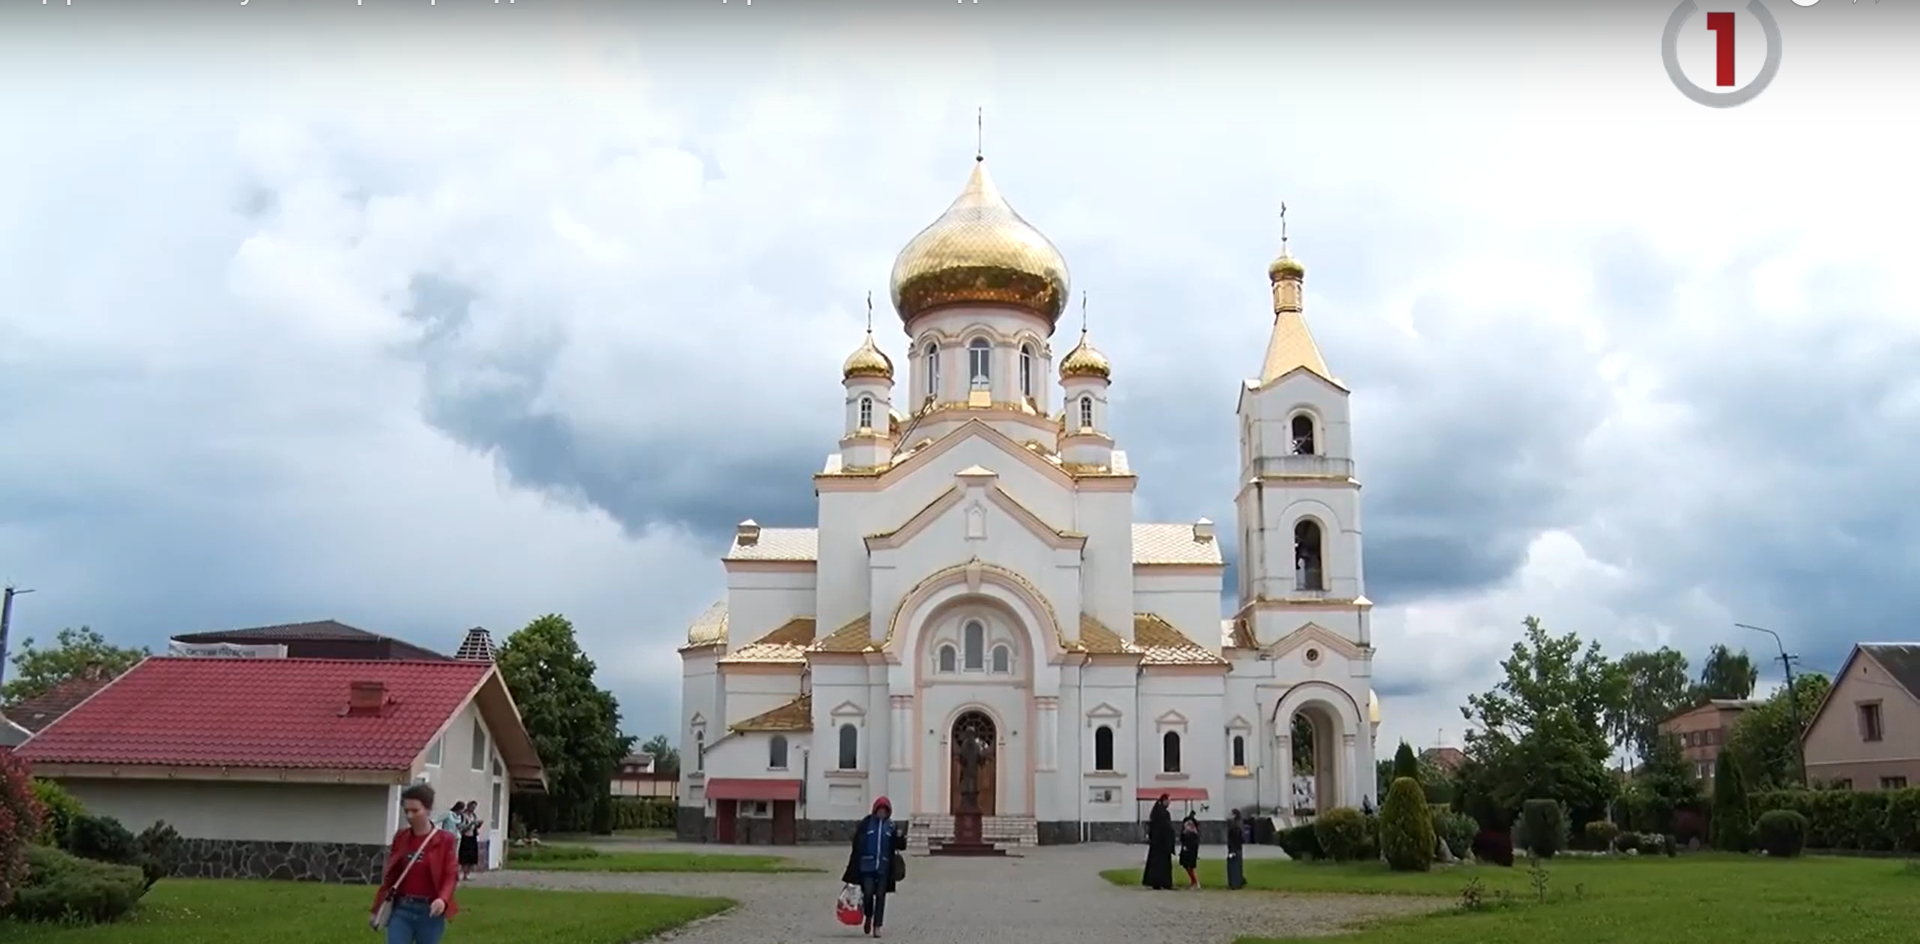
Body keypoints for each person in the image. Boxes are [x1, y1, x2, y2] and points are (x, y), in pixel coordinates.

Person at [372, 782, 459, 944]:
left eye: (415, 811)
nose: (410, 816)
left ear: (428, 810)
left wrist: (443, 899)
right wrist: (377, 908)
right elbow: (391, 877)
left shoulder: (444, 840)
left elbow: (450, 875)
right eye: (407, 811)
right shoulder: (401, 837)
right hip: (402, 909)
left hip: (430, 911)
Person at [841, 796, 906, 937]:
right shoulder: (867, 824)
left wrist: (901, 838)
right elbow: (857, 845)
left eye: (885, 811)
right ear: (875, 810)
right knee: (868, 894)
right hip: (867, 867)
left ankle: (877, 926)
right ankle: (869, 916)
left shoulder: (891, 826)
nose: (882, 813)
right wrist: (853, 866)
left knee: (881, 896)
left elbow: (900, 846)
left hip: (884, 868)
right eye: (880, 810)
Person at [1141, 794, 1175, 890]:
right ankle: (1164, 882)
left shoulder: (1157, 812)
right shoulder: (1162, 813)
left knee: (1156, 863)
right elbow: (1165, 828)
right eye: (1168, 801)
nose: (1169, 803)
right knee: (1162, 864)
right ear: (1164, 800)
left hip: (1157, 842)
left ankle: (1157, 882)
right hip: (1162, 843)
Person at [457, 801, 484, 881]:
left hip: (473, 836)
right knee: (465, 856)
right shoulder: (463, 816)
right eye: (472, 807)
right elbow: (461, 828)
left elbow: (476, 827)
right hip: (465, 837)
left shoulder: (473, 815)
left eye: (474, 807)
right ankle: (464, 874)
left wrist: (478, 824)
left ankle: (467, 873)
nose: (473, 809)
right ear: (468, 806)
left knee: (472, 856)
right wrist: (471, 824)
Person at [1178, 813, 1201, 889]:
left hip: (1190, 851)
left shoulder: (1194, 833)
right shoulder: (1185, 832)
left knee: (1190, 867)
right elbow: (1182, 839)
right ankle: (1193, 881)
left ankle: (1195, 882)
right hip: (1185, 850)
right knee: (1186, 866)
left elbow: (1193, 843)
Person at [1225, 809, 1246, 890]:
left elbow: (1235, 839)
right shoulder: (1238, 825)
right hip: (1237, 848)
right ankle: (1238, 882)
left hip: (1234, 848)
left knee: (1233, 866)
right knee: (1237, 866)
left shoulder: (1235, 827)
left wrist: (1232, 850)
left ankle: (1235, 883)